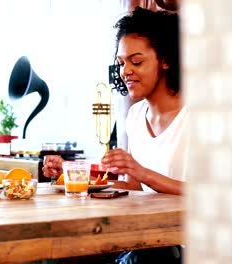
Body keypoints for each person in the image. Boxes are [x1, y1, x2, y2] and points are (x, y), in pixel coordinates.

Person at [43, 7, 184, 263]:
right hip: (149, 239)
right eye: (121, 63)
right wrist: (74, 175)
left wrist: (142, 172)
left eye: (136, 61)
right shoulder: (135, 116)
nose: (125, 71)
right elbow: (133, 187)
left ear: (166, 60)